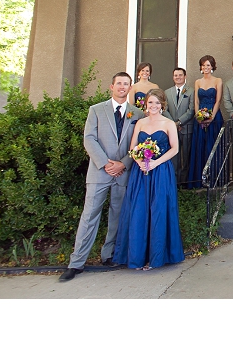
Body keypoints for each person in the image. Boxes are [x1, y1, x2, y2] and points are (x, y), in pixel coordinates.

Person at [59, 72, 144, 281]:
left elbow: (139, 144)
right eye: (119, 84)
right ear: (111, 86)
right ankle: (76, 262)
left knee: (117, 216)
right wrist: (107, 163)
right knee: (89, 216)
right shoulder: (96, 110)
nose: (122, 87)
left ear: (130, 87)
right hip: (99, 172)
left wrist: (123, 164)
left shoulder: (137, 114)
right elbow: (89, 139)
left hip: (123, 172)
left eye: (126, 84)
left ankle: (110, 255)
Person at [113, 89, 185, 270]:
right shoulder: (140, 123)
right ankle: (137, 257)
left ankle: (156, 258)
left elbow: (174, 149)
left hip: (160, 172)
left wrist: (155, 163)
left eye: (157, 103)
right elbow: (133, 147)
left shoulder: (168, 123)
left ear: (163, 105)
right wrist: (140, 161)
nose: (154, 106)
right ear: (146, 104)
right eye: (151, 102)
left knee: (158, 210)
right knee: (139, 211)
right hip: (141, 173)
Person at [187, 55, 224, 189]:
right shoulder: (198, 82)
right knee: (200, 146)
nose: (206, 67)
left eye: (208, 65)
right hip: (200, 117)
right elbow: (196, 101)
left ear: (212, 66)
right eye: (203, 65)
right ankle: (199, 180)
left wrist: (212, 117)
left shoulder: (218, 80)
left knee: (212, 146)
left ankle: (214, 178)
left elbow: (218, 100)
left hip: (214, 118)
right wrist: (198, 116)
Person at [163, 67, 194, 187]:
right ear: (173, 77)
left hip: (186, 128)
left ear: (185, 76)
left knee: (185, 157)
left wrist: (179, 123)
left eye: (180, 75)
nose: (178, 77)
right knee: (173, 157)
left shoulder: (191, 91)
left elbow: (191, 110)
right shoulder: (167, 92)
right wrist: (173, 124)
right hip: (172, 130)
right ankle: (174, 182)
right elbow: (164, 109)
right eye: (176, 75)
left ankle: (184, 183)